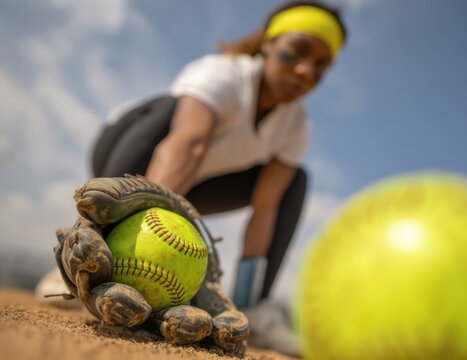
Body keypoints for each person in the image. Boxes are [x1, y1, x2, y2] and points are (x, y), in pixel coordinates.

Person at [39, 0, 347, 354]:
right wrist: (144, 240)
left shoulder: (295, 126)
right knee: (169, 111)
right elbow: (187, 146)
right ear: (268, 43)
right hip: (128, 157)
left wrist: (238, 304)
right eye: (296, 52)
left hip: (196, 187)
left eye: (321, 67)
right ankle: (76, 259)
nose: (306, 71)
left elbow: (265, 210)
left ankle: (256, 308)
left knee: (294, 183)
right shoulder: (223, 73)